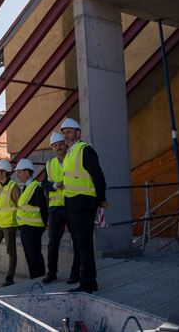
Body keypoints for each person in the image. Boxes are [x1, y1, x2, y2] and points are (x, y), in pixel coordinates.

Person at [60, 118, 108, 293]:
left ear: (78, 133)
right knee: (81, 244)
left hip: (84, 202)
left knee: (85, 245)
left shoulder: (84, 150)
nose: (66, 136)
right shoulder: (70, 153)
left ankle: (87, 284)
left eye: (69, 132)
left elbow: (98, 176)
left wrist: (101, 199)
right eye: (64, 133)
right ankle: (89, 282)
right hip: (72, 203)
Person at [41, 133, 80, 284]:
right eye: (55, 145)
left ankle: (75, 273)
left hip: (72, 206)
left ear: (65, 144)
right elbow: (44, 184)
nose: (58, 147)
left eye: (60, 144)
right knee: (53, 243)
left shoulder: (74, 159)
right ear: (52, 148)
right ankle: (51, 273)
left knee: (76, 241)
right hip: (56, 208)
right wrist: (54, 185)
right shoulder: (50, 164)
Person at [14, 158, 48, 279]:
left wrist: (44, 225)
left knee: (35, 256)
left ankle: (39, 279)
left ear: (27, 172)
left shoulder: (35, 188)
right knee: (30, 257)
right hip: (26, 228)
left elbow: (43, 208)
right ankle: (34, 280)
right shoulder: (27, 188)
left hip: (33, 229)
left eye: (19, 172)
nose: (17, 174)